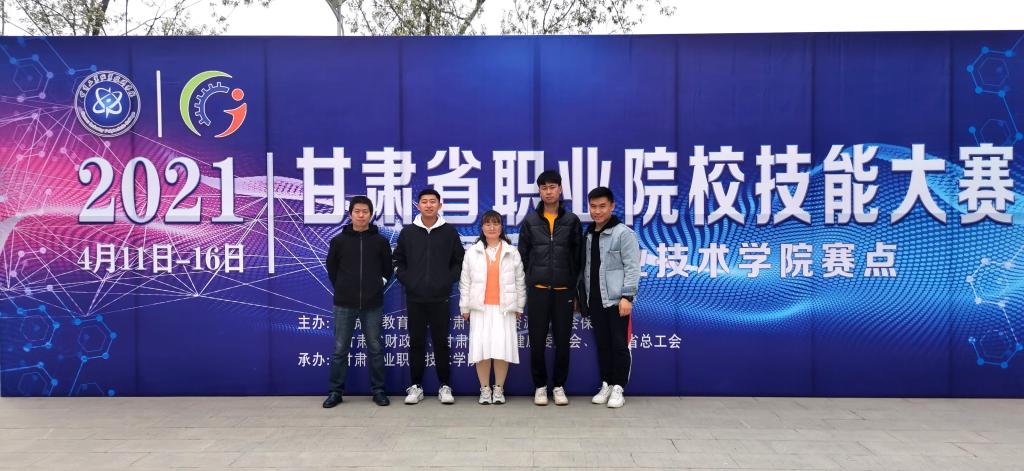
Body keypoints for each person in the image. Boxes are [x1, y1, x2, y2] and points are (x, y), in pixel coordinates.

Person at [393, 188, 465, 405]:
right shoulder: (408, 232)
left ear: (439, 205)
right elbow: (397, 261)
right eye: (424, 202)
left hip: (440, 297)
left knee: (441, 342)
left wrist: (446, 280)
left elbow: (459, 262)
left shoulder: (449, 232)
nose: (428, 205)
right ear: (418, 206)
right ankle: (416, 386)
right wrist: (410, 281)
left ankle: (445, 386)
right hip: (415, 297)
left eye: (433, 201)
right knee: (416, 342)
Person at [517, 170, 582, 406]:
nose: (548, 192)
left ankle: (559, 386)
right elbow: (522, 256)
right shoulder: (531, 221)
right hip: (538, 289)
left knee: (563, 342)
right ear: (539, 191)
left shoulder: (571, 220)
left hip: (564, 290)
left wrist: (575, 290)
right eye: (544, 188)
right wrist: (531, 279)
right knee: (537, 341)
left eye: (552, 187)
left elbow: (578, 258)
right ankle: (541, 386)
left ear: (560, 189)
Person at [322, 196, 394, 408]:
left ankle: (379, 391)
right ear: (351, 214)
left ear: (371, 215)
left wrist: (377, 285)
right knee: (340, 349)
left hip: (373, 303)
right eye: (357, 211)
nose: (361, 215)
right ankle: (335, 392)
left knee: (375, 348)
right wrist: (343, 287)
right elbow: (332, 269)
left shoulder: (380, 241)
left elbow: (388, 269)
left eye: (365, 212)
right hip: (344, 303)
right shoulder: (338, 241)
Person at [581, 187, 640, 408]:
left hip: (617, 301)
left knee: (619, 344)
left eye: (602, 206)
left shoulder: (623, 233)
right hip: (596, 300)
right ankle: (606, 383)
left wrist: (627, 297)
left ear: (612, 206)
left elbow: (632, 267)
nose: (597, 211)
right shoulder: (588, 235)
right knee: (603, 345)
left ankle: (618, 387)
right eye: (593, 206)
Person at [459, 210, 526, 405]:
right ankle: (485, 389)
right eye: (487, 224)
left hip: (504, 309)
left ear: (501, 227)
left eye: (496, 223)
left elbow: (520, 281)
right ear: (482, 228)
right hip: (479, 309)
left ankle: (498, 389)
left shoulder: (511, 252)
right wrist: (465, 307)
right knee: (481, 350)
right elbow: (465, 282)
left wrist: (519, 305)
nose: (492, 227)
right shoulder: (472, 252)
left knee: (501, 350)